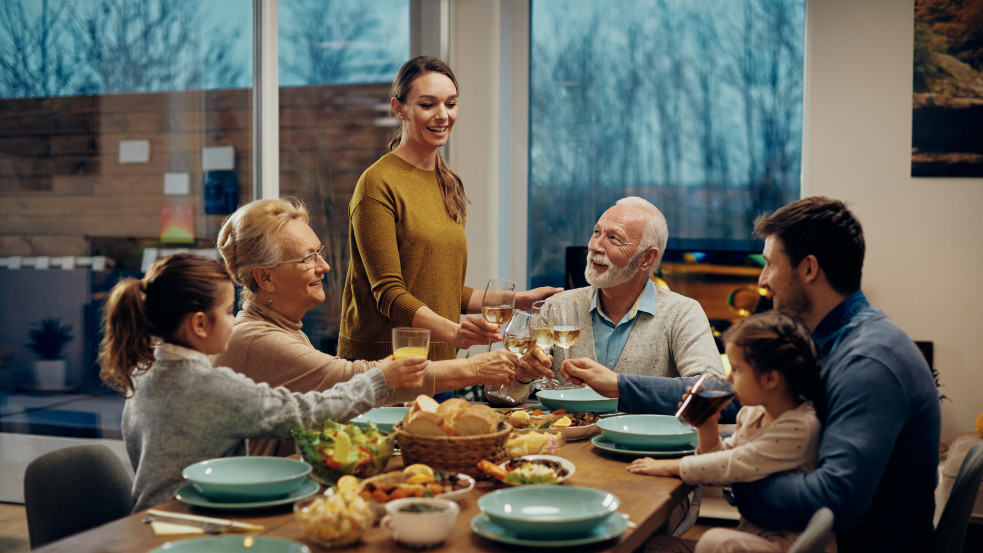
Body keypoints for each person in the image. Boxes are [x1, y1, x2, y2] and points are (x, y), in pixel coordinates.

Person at [563, 197, 941, 553]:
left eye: (771, 264)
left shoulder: (869, 361)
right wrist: (622, 386)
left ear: (808, 269)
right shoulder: (830, 340)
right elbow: (730, 398)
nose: (761, 281)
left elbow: (836, 501)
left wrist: (736, 480)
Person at [98, 254, 428, 512]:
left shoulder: (145, 370)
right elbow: (305, 413)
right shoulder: (205, 386)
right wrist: (379, 379)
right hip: (189, 520)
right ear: (199, 324)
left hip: (149, 520)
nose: (234, 322)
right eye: (228, 312)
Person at [214, 197, 530, 456]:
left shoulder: (281, 328)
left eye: (319, 253)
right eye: (307, 258)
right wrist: (474, 369)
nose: (323, 266)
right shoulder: (255, 338)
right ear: (265, 277)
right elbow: (357, 380)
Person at [338, 55, 559, 365]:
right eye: (428, 105)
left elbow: (443, 288)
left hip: (441, 361)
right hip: (383, 365)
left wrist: (518, 300)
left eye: (451, 104)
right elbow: (389, 293)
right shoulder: (377, 183)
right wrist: (455, 332)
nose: (442, 115)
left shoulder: (447, 182)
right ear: (399, 108)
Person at [631, 311, 824, 553]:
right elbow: (720, 459)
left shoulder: (799, 427)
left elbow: (733, 463)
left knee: (715, 541)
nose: (728, 378)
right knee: (657, 545)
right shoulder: (752, 412)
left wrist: (670, 465)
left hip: (783, 543)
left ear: (770, 379)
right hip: (751, 532)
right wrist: (707, 425)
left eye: (736, 369)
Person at [520, 196, 722, 386]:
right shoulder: (556, 307)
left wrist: (622, 387)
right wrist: (521, 375)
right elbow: (501, 394)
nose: (595, 246)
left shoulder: (683, 313)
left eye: (614, 238)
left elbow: (712, 390)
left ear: (647, 258)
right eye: (596, 232)